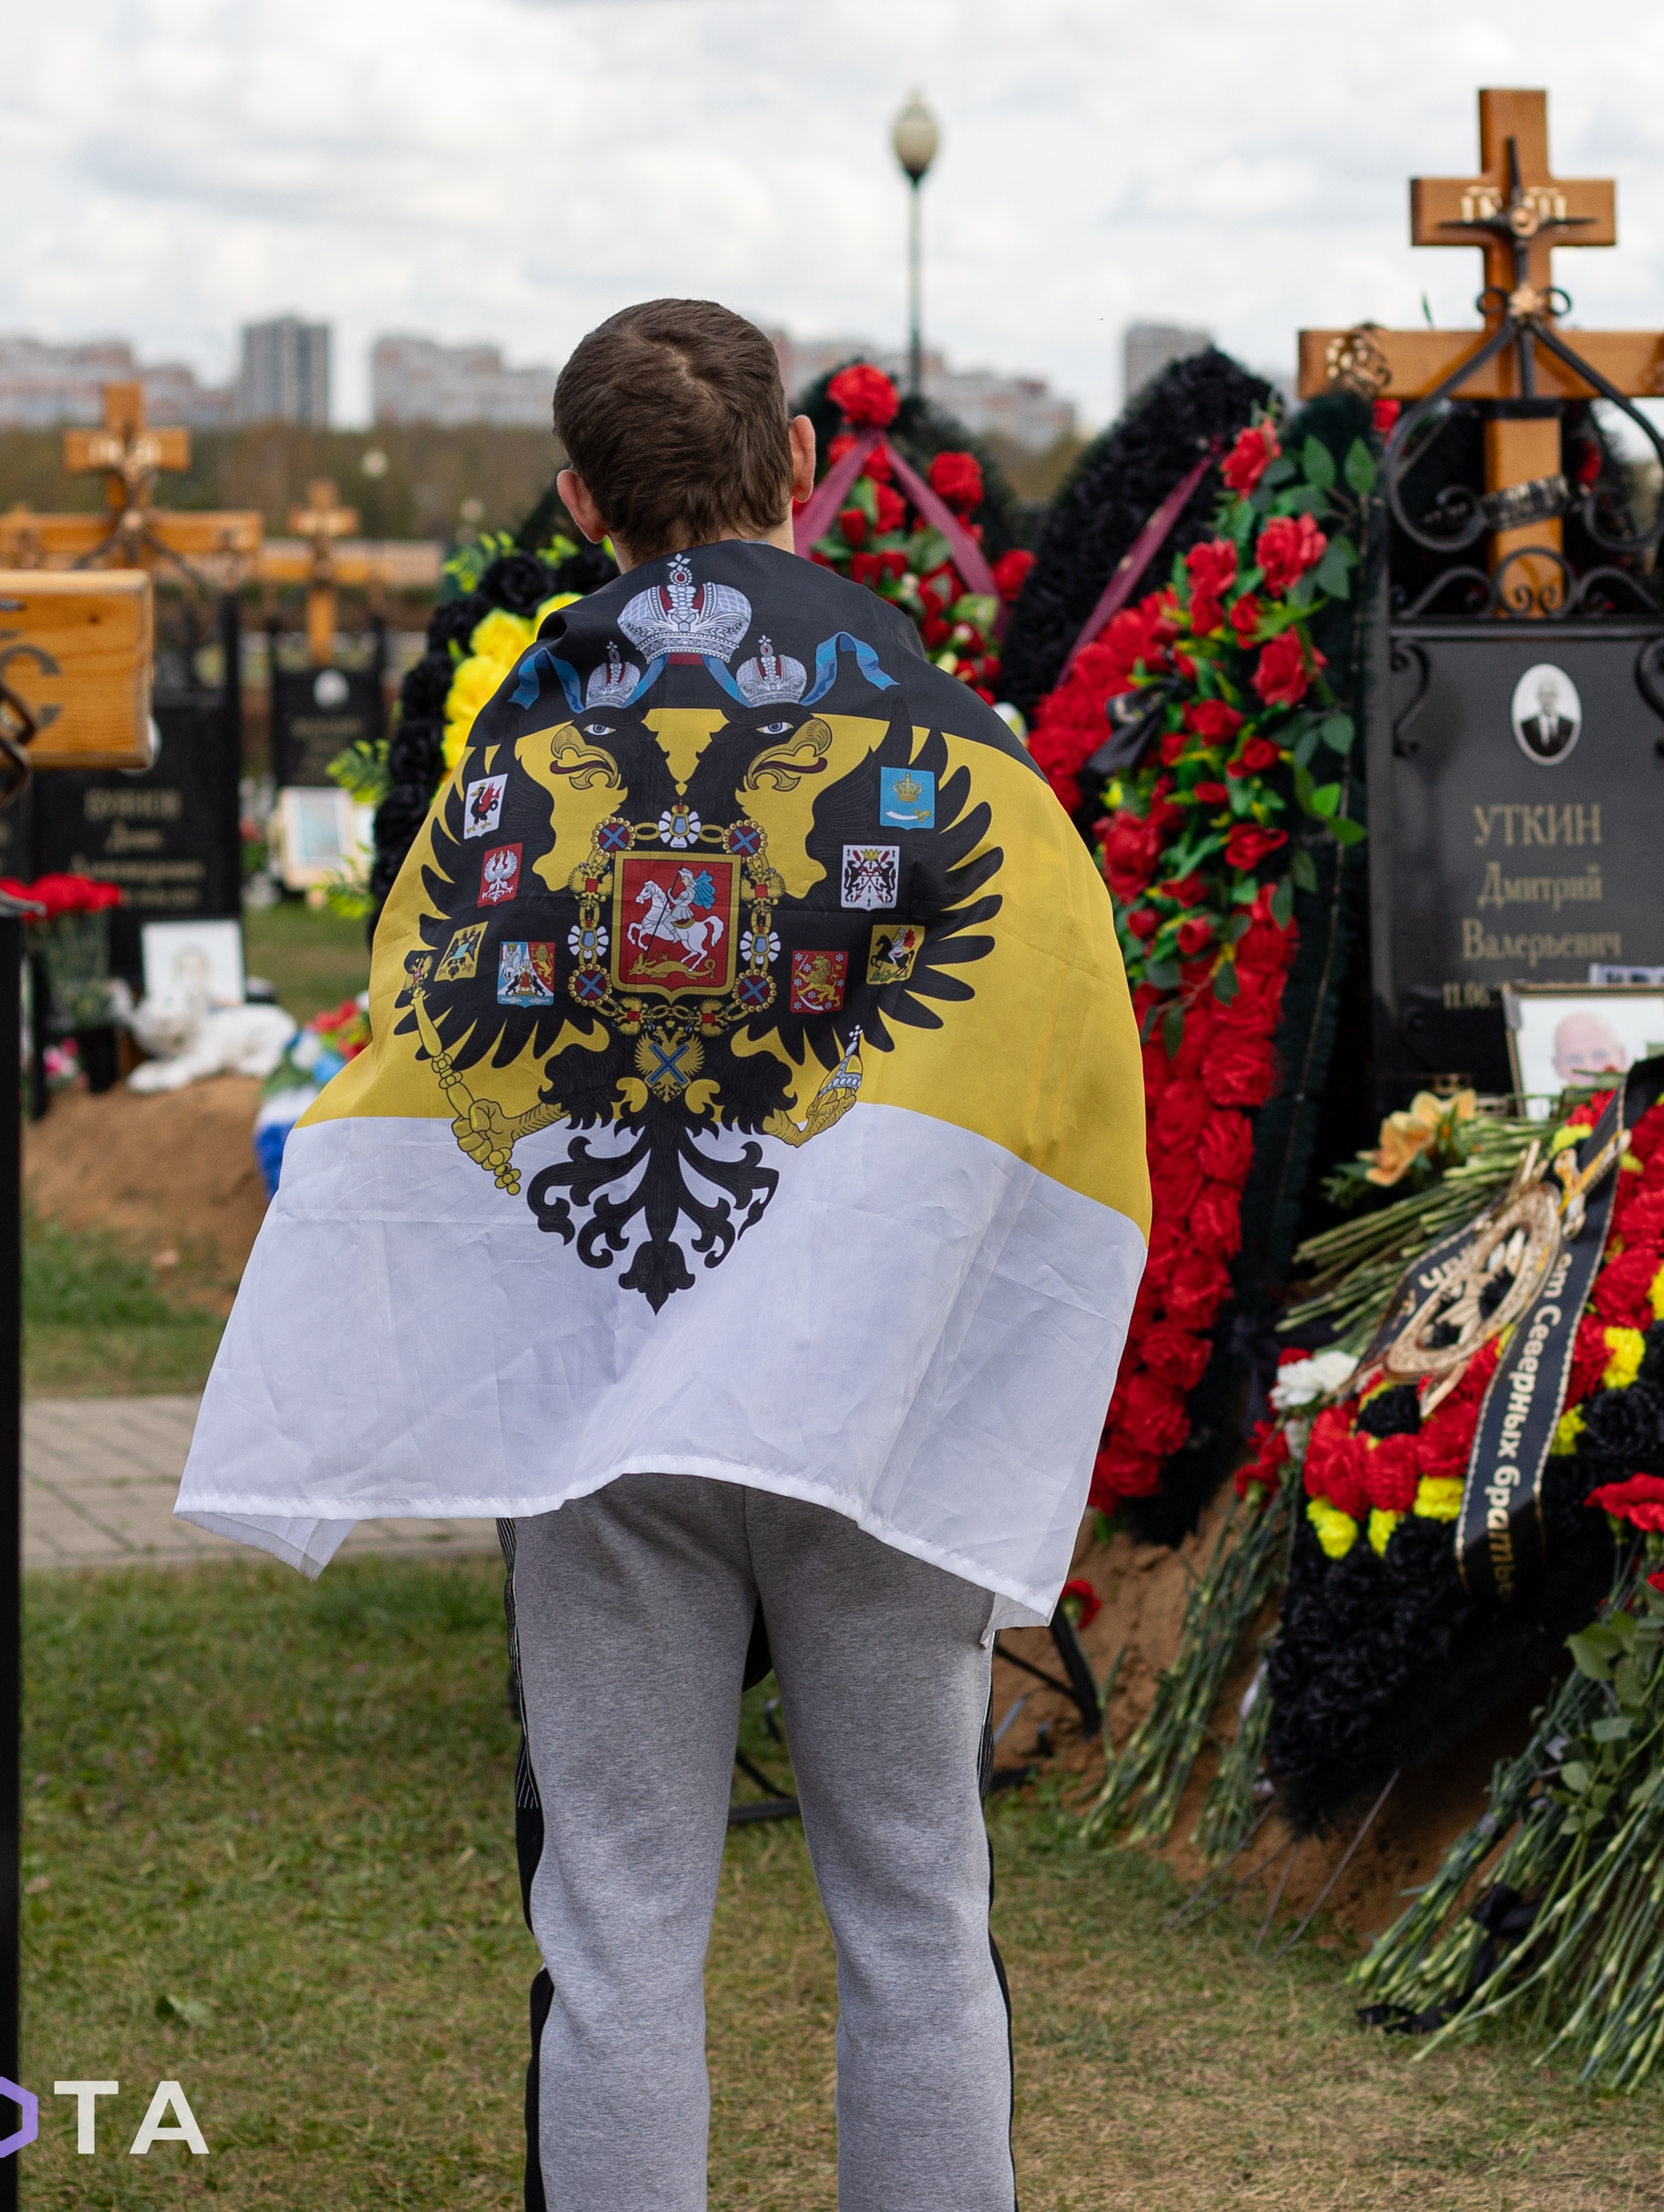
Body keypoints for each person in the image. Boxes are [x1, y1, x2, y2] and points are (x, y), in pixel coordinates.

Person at [174, 299, 1148, 2210]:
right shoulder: (967, 771)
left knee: (618, 1926)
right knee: (915, 1905)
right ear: (802, 470)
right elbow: (1064, 1061)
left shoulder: (512, 783)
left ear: (575, 503)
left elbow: (420, 1066)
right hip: (869, 1404)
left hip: (613, 1413)